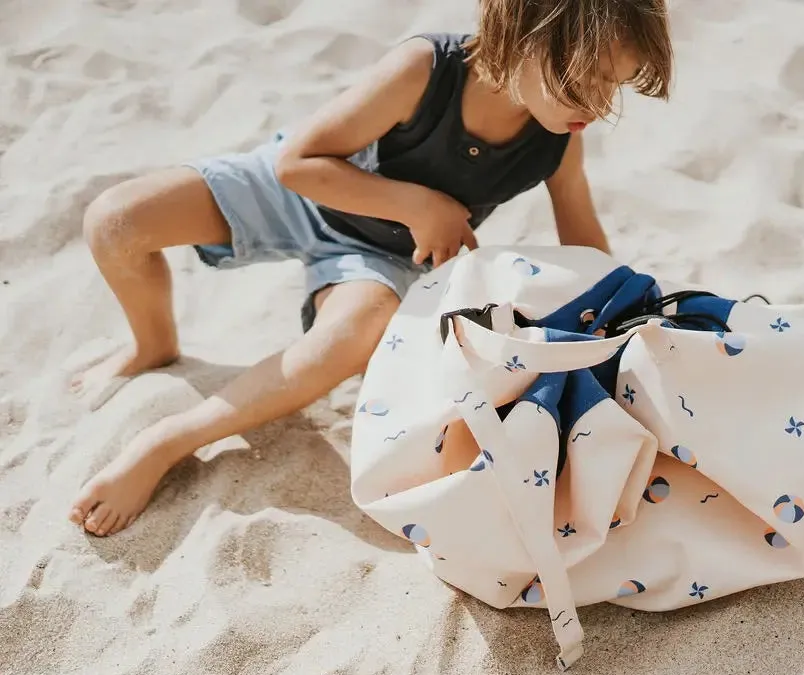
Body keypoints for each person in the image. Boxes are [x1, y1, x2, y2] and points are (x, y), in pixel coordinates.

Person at [67, 0, 673, 536]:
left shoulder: (558, 137)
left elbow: (584, 242)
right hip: (305, 193)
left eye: (613, 87)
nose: (598, 105)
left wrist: (628, 316)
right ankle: (154, 345)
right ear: (524, 30)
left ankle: (166, 441)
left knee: (349, 339)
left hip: (378, 257)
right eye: (587, 80)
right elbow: (298, 163)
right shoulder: (426, 70)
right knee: (115, 221)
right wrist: (420, 205)